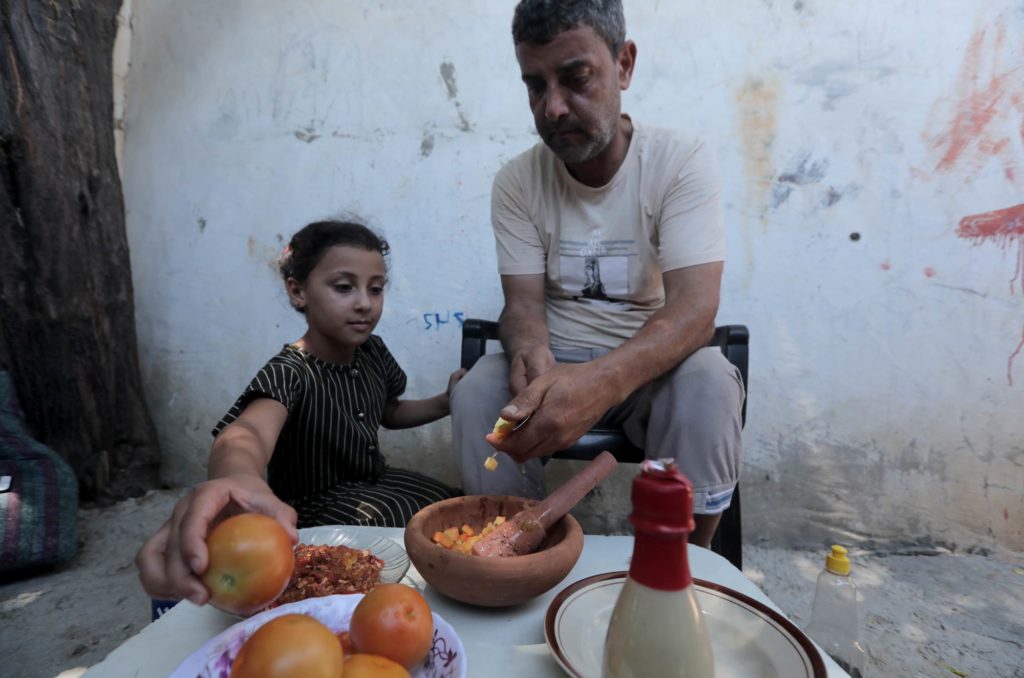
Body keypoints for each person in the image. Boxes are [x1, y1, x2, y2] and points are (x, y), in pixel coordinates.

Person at [451, 0, 745, 547]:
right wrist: (529, 351)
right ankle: (517, 554)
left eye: (575, 78)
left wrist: (600, 381)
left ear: (625, 65)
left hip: (648, 373)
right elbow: (521, 305)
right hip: (552, 371)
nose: (554, 107)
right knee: (476, 393)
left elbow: (696, 309)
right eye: (535, 85)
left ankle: (683, 567)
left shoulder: (680, 161)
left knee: (710, 382)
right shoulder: (517, 182)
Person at [136, 220, 464, 605]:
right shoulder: (290, 371)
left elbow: (389, 411)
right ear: (298, 291)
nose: (364, 302)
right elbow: (247, 434)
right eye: (344, 287)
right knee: (396, 531)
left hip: (375, 481)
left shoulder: (374, 352)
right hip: (315, 507)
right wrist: (237, 477)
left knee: (449, 508)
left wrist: (445, 401)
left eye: (375, 289)